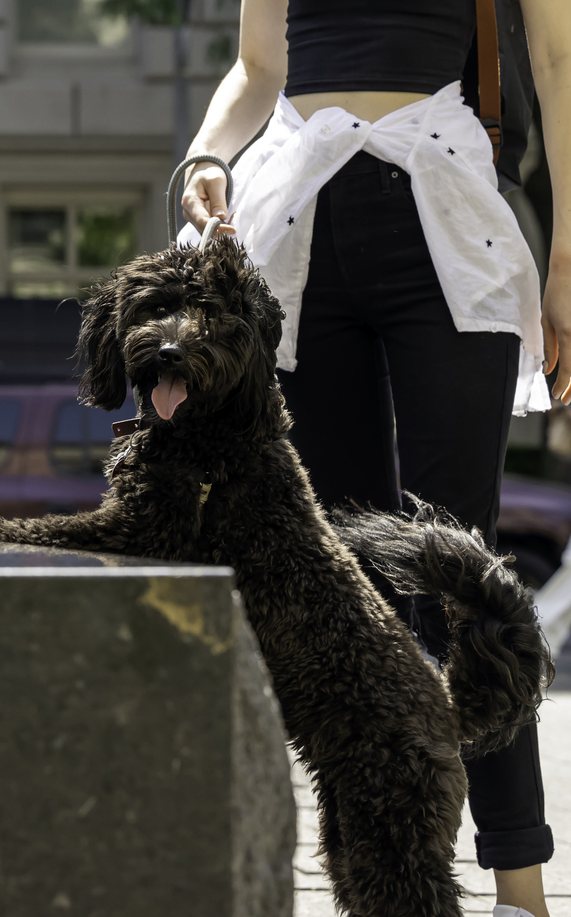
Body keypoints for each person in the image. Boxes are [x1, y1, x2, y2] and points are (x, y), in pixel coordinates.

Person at [179, 1, 569, 915]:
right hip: (296, 224)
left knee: (462, 572)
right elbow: (256, 66)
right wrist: (203, 154)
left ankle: (520, 884)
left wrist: (566, 261)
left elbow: (555, 60)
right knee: (349, 590)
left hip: (444, 214)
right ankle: (381, 884)